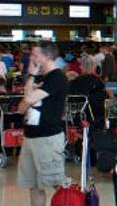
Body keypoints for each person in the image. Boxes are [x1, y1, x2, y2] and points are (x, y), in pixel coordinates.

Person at [17, 42, 68, 206]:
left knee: (56, 182)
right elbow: (22, 107)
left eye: (35, 55)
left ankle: (74, 201)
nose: (31, 58)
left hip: (48, 138)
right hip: (31, 137)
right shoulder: (42, 78)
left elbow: (29, 100)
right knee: (34, 186)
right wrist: (32, 76)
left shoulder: (57, 77)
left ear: (46, 56)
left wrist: (30, 79)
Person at [69, 56, 109, 129]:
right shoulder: (98, 82)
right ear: (93, 66)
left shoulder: (74, 82)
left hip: (78, 117)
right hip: (97, 116)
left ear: (81, 66)